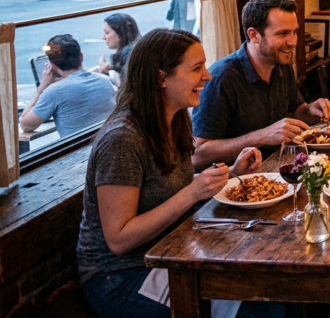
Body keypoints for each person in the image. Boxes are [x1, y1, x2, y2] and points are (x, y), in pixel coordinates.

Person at [76, 28, 275, 318]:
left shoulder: (175, 117)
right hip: (121, 276)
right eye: (197, 68)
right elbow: (119, 239)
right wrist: (191, 193)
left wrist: (230, 173)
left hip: (172, 252)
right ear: (161, 78)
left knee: (272, 292)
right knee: (254, 310)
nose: (207, 76)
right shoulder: (122, 138)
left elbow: (170, 187)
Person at [192, 0, 330, 167]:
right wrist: (262, 136)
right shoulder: (222, 79)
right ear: (254, 35)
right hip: (232, 181)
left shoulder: (281, 62)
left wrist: (312, 110)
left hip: (277, 164)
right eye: (282, 34)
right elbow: (198, 154)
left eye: (295, 32)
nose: (293, 41)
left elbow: (297, 111)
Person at [19, 34, 117, 137]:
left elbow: (25, 125)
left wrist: (42, 88)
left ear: (52, 65)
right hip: (105, 146)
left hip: (77, 151)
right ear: (81, 56)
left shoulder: (54, 91)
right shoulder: (105, 81)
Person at [92, 13, 141, 86]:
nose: (103, 37)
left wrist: (107, 73)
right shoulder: (137, 47)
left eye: (107, 33)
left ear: (121, 34)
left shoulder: (129, 53)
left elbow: (127, 87)